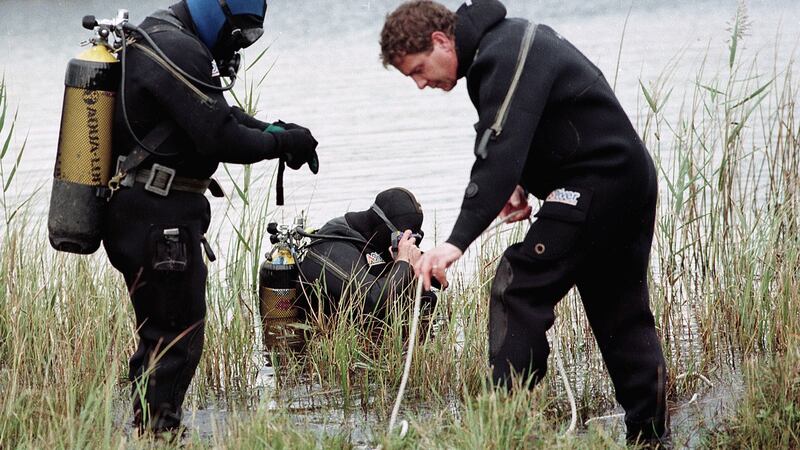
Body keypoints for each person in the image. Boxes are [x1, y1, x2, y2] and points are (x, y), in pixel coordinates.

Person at [380, 0, 668, 446]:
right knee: (621, 315)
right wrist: (521, 183)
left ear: (440, 41)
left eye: (418, 69)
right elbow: (529, 128)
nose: (420, 83)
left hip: (598, 183)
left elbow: (496, 149)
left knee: (518, 287)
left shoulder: (503, 52)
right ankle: (650, 438)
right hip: (624, 179)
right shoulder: (503, 46)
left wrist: (455, 242)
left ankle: (507, 430)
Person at [102, 0, 318, 433]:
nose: (239, 42)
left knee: (161, 330)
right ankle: (160, 434)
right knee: (177, 334)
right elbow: (220, 137)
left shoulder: (163, 35)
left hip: (144, 211)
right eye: (239, 31)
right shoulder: (179, 49)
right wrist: (279, 143)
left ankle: (149, 428)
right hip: (157, 216)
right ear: (216, 12)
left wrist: (276, 132)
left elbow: (218, 114)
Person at [297, 188, 434, 320]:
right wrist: (403, 263)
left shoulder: (378, 243)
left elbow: (425, 302)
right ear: (384, 227)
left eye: (414, 238)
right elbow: (372, 303)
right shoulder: (333, 246)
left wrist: (415, 273)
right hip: (323, 336)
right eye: (402, 238)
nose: (407, 244)